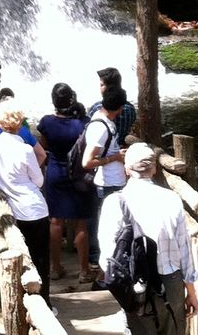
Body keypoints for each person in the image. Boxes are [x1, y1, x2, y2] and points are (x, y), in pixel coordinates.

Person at [98, 142, 198, 333]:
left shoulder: (114, 202)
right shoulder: (171, 199)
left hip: (134, 282)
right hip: (170, 281)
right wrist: (191, 292)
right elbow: (184, 249)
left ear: (126, 169)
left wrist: (122, 287)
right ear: (153, 169)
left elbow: (107, 256)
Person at [0, 99, 51, 308]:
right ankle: (45, 303)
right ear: (21, 122)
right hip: (35, 209)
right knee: (40, 259)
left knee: (19, 260)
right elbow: (39, 181)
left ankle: (20, 302)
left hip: (12, 212)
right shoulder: (25, 149)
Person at [37, 82, 93, 283]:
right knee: (81, 223)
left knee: (55, 221)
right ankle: (84, 270)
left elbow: (44, 147)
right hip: (79, 173)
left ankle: (55, 268)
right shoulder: (84, 122)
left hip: (56, 172)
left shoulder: (46, 123)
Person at [83, 83, 129, 272]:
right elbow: (87, 162)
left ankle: (106, 263)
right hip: (108, 184)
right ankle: (104, 265)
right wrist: (115, 157)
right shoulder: (101, 127)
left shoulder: (101, 119)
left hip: (111, 181)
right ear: (120, 108)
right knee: (108, 227)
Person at [88, 67, 137, 146]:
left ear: (109, 88)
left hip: (100, 153)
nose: (100, 88)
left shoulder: (97, 108)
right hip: (121, 150)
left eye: (101, 85)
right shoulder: (131, 109)